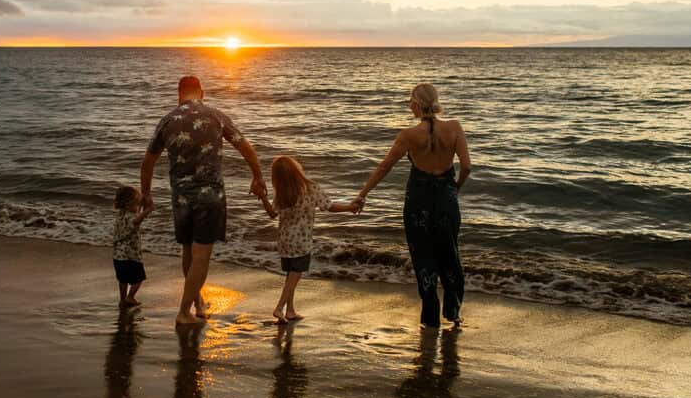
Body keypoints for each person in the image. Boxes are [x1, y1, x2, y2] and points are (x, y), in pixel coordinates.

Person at [140, 75, 267, 326]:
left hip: (181, 197)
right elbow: (246, 148)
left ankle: (197, 303)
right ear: (202, 92)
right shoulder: (216, 116)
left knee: (188, 250)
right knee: (201, 255)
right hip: (210, 197)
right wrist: (258, 177)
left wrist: (147, 193)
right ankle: (183, 312)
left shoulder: (167, 121)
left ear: (179, 94)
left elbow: (148, 162)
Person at [354, 83, 471, 327]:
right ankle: (453, 313)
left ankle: (430, 318)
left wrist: (363, 193)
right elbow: (467, 166)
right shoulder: (455, 127)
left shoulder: (408, 135)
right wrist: (454, 189)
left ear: (417, 104)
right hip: (447, 201)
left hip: (418, 202)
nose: (409, 105)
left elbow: (385, 166)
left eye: (410, 101)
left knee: (423, 258)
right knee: (450, 254)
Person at [261, 156, 360, 323]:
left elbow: (272, 214)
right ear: (296, 169)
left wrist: (263, 197)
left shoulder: (282, 193)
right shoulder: (310, 188)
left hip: (285, 241)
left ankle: (290, 311)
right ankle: (279, 308)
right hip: (301, 241)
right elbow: (329, 206)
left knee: (290, 275)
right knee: (295, 275)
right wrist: (350, 208)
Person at [112, 185, 148, 306]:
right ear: (130, 204)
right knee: (139, 279)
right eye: (136, 204)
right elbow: (137, 220)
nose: (137, 207)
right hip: (131, 256)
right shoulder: (131, 217)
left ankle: (122, 299)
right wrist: (148, 210)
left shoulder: (121, 214)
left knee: (123, 280)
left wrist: (142, 206)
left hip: (118, 256)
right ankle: (130, 297)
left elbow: (135, 215)